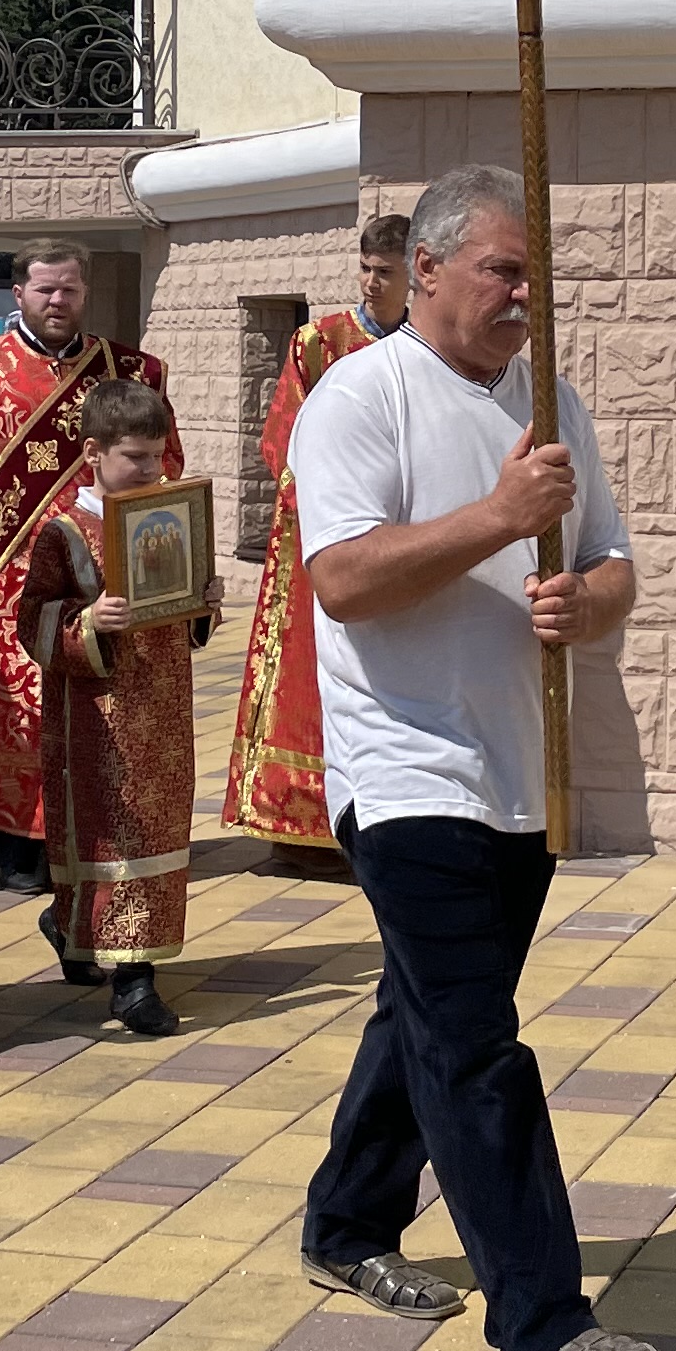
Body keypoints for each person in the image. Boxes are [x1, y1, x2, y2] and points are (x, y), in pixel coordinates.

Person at [287, 163, 660, 1351]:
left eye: (533, 272)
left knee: (430, 1013)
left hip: (518, 768)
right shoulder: (360, 396)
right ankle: (548, 1332)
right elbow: (341, 580)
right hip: (404, 767)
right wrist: (500, 516)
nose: (522, 293)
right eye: (503, 269)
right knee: (476, 1043)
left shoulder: (549, 399)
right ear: (428, 270)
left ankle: (347, 1219)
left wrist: (580, 602)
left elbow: (612, 572)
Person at [0, 240, 169, 891]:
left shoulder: (125, 373)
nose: (57, 301)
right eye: (45, 290)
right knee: (20, 716)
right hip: (9, 581)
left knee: (92, 711)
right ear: (17, 295)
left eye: (69, 289)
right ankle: (19, 845)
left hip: (100, 576)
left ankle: (87, 840)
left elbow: (165, 465)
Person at [15, 379, 219, 1039]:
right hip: (97, 719)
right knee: (115, 834)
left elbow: (182, 613)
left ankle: (78, 928)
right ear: (94, 453)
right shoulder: (66, 532)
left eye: (157, 455)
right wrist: (89, 622)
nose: (149, 469)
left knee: (159, 834)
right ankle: (133, 983)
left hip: (165, 711)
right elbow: (33, 621)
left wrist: (203, 604)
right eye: (134, 456)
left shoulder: (170, 516)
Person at [221, 215, 411, 867]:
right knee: (302, 673)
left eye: (385, 272)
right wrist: (337, 509)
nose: (371, 282)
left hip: (402, 539)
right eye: (365, 269)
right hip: (317, 538)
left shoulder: (426, 347)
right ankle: (293, 823)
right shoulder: (320, 341)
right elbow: (282, 438)